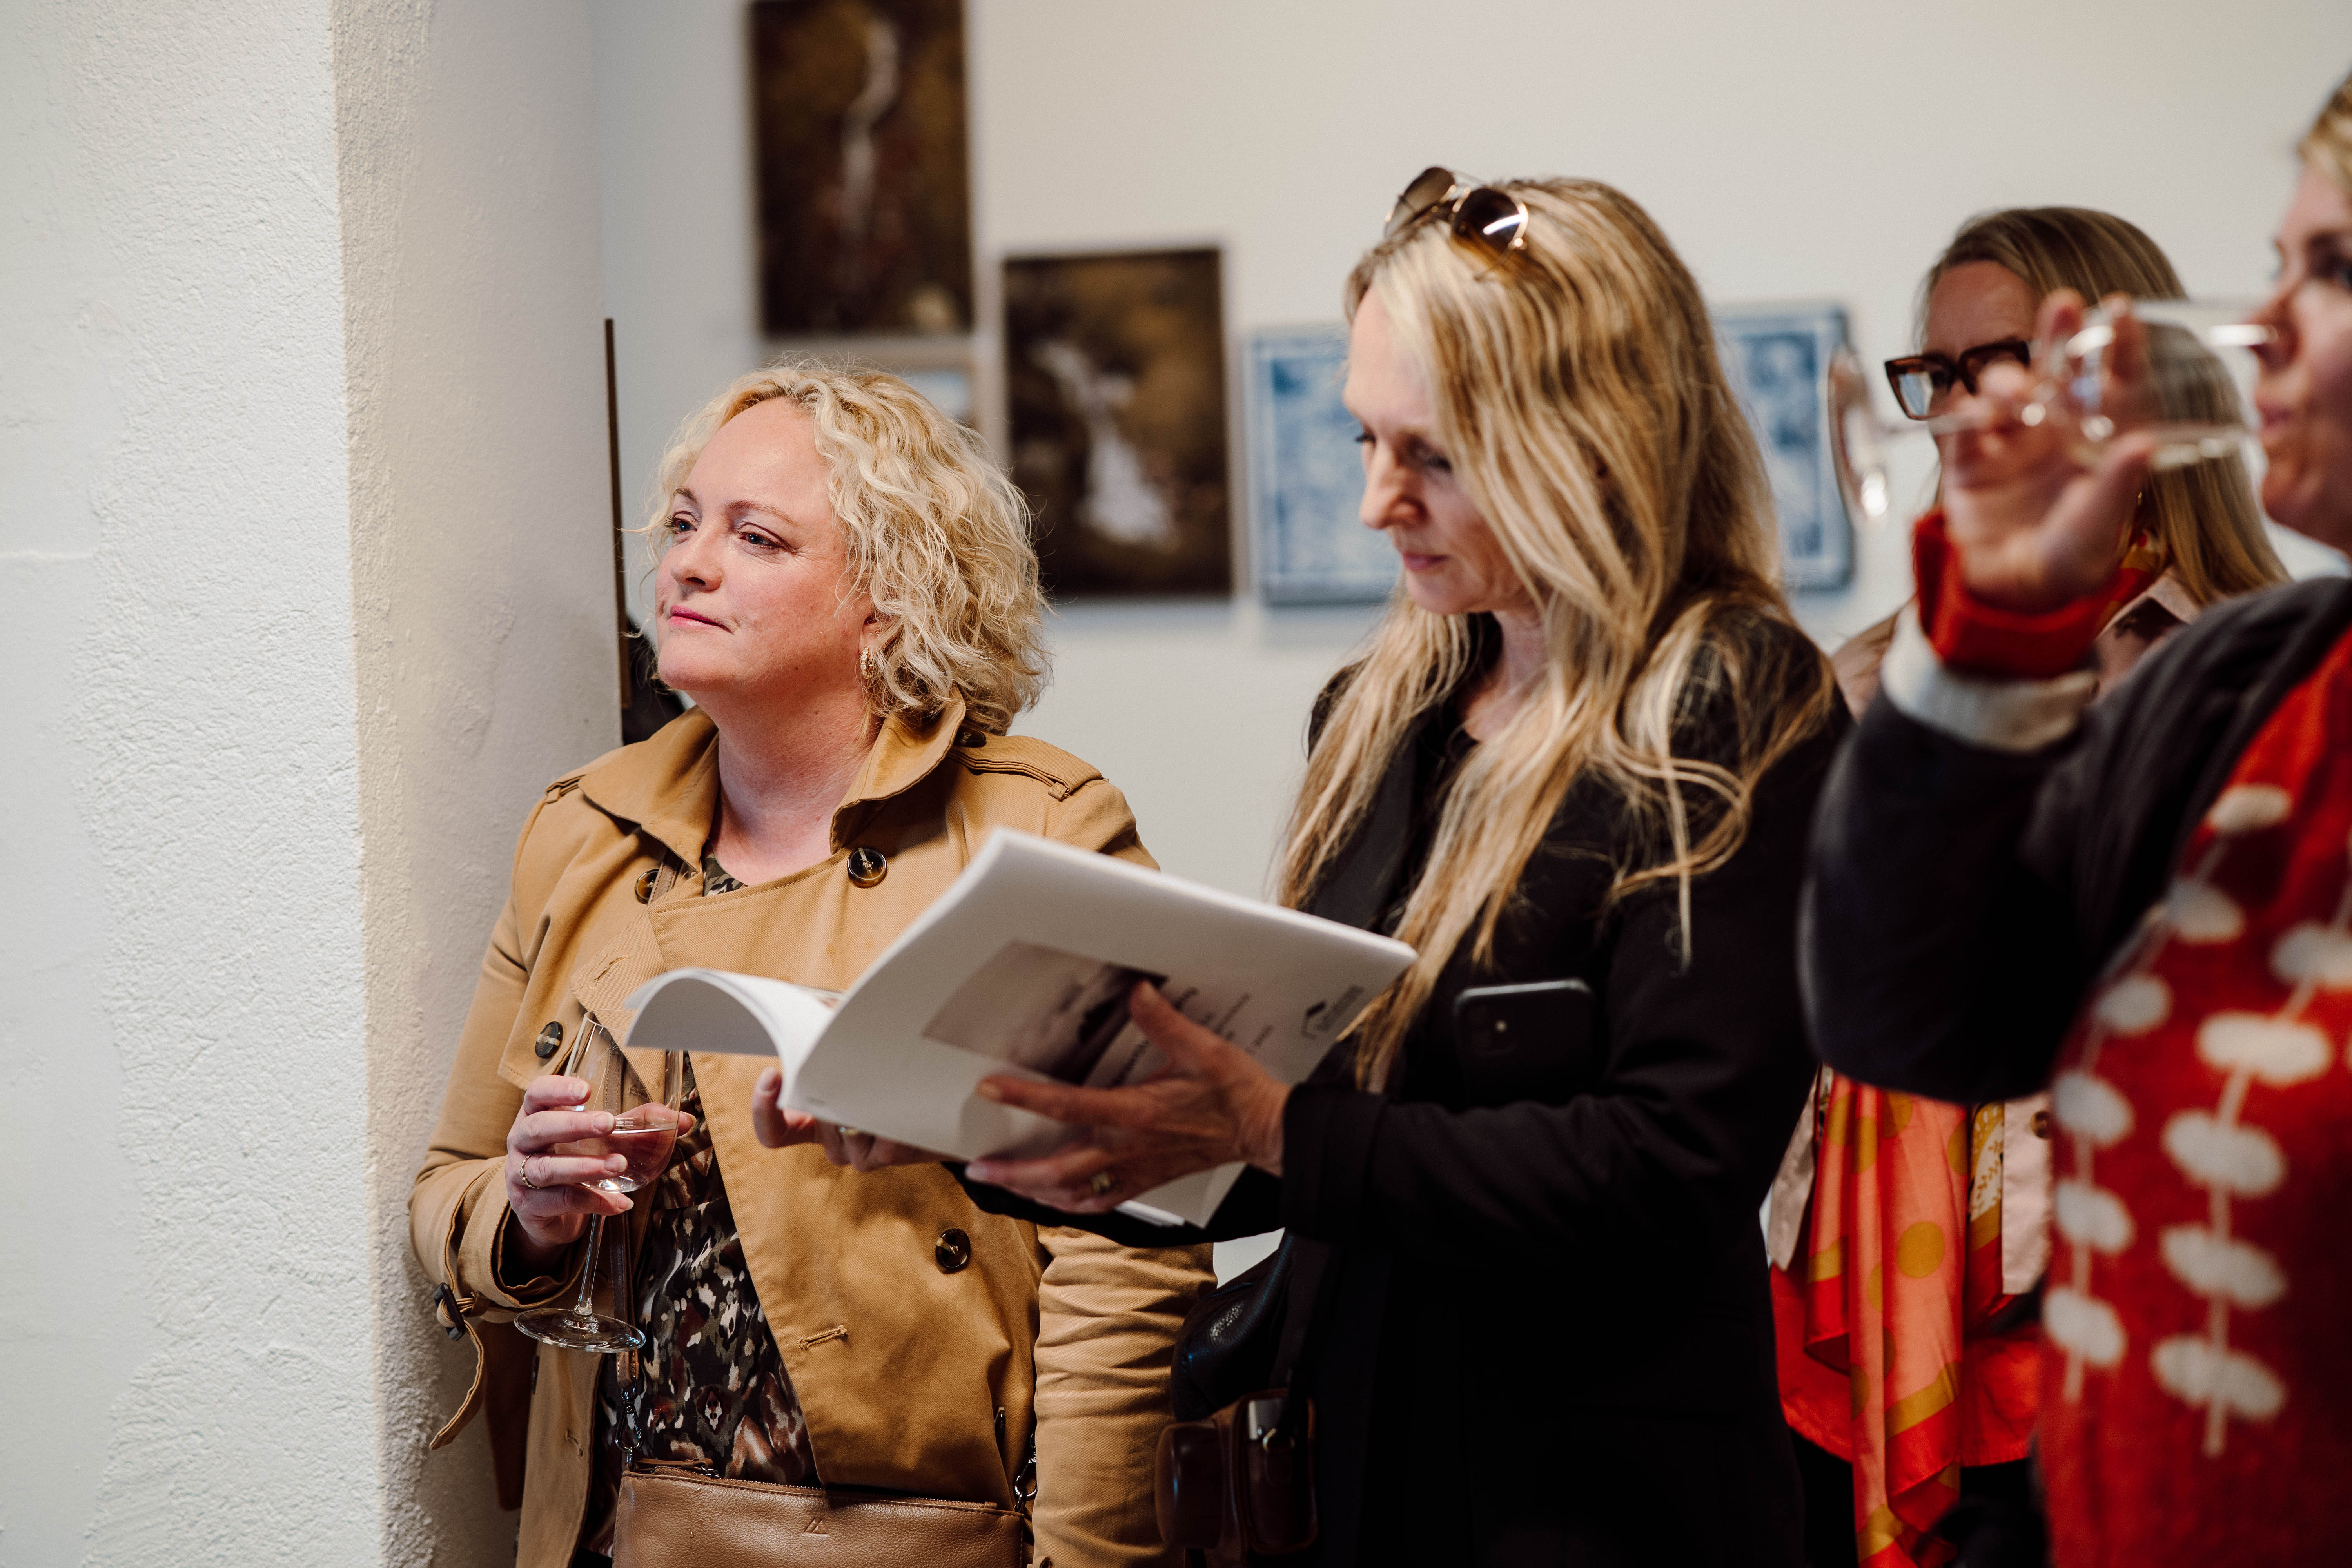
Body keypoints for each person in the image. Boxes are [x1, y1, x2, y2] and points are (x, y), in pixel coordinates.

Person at [802, 172, 1846, 1565]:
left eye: (1434, 457)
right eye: (1365, 439)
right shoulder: (1381, 714)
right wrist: (969, 1108)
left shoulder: (1737, 705)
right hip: (1359, 1476)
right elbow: (1298, 1138)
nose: (1375, 502)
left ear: (1594, 442)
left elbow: (1675, 1168)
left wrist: (1278, 1130)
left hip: (1600, 1505)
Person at [408, 363, 1210, 1568]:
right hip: (616, 1535)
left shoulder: (1041, 831)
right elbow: (446, 1189)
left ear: (889, 598)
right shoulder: (579, 833)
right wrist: (527, 1217)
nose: (688, 564)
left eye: (756, 538)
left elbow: (1134, 1247)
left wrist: (1090, 1559)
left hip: (929, 1539)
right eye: (685, 523)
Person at [1803, 72, 2352, 1567]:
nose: (2265, 322)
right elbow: (1908, 1015)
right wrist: (1990, 644)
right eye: (2279, 261)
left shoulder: (2209, 646)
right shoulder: (2257, 679)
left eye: (2330, 267)